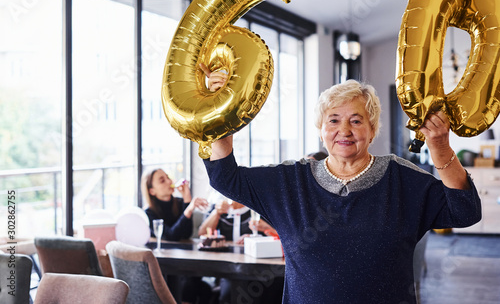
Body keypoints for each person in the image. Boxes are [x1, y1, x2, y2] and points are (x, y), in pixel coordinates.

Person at [200, 65, 481, 304]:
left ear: (372, 130)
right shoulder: (290, 182)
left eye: (356, 121)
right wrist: (222, 110)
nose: (343, 130)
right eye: (333, 120)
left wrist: (441, 148)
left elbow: (465, 211)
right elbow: (225, 177)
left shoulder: (401, 178)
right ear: (321, 130)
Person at [141, 168, 211, 304]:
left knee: (200, 286)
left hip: (186, 262)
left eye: (168, 177)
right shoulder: (148, 213)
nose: (169, 181)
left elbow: (186, 233)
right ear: (152, 191)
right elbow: (171, 235)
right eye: (162, 180)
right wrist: (189, 207)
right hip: (165, 267)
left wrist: (186, 200)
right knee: (190, 286)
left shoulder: (179, 203)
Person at [198, 199, 283, 304]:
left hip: (257, 267)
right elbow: (202, 233)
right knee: (229, 293)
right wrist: (216, 213)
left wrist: (254, 237)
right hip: (227, 268)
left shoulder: (258, 208)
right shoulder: (220, 207)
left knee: (268, 289)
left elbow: (281, 237)